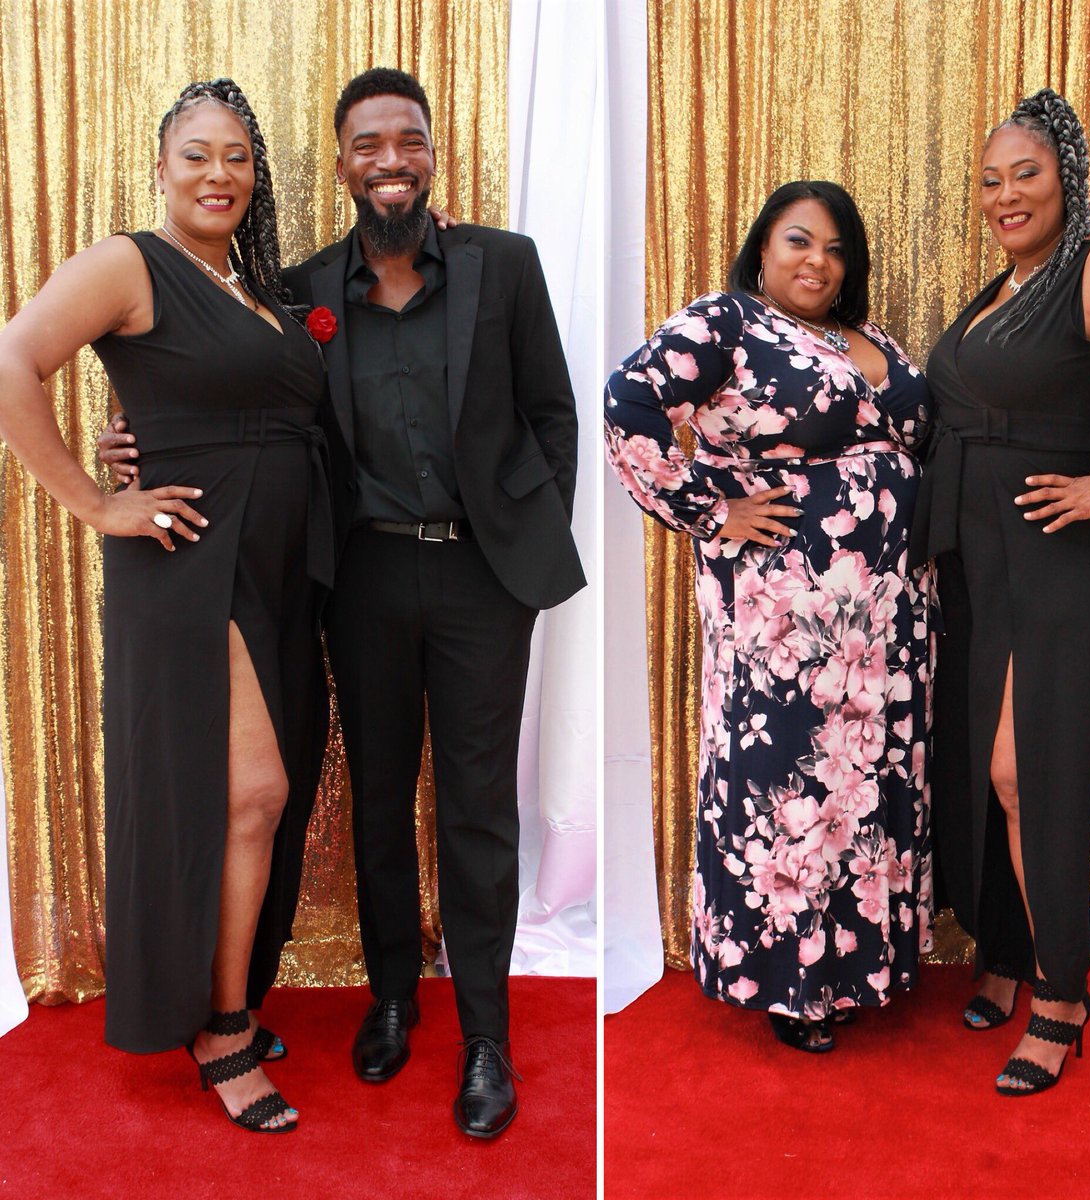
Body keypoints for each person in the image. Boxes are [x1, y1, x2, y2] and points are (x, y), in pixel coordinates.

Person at [106, 68, 583, 1138]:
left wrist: (521, 538)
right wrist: (122, 456)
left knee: (475, 808)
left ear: (431, 150)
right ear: (340, 164)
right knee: (374, 801)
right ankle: (394, 1000)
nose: (389, 159)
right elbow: (253, 412)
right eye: (366, 144)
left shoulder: (506, 266)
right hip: (359, 579)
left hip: (481, 582)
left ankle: (487, 1039)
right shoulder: (304, 292)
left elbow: (554, 416)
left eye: (406, 139)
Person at [0, 79, 334, 1132]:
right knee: (253, 793)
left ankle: (215, 996)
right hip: (190, 560)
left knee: (243, 800)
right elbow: (11, 359)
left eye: (237, 156)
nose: (219, 174)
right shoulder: (127, 263)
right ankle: (222, 1026)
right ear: (160, 166)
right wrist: (96, 502)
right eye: (197, 154)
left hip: (278, 566)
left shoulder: (249, 285)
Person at [912, 88, 1090, 1095]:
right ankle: (1000, 947)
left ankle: (1063, 993)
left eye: (1024, 174)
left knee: (1027, 773)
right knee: (981, 766)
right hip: (980, 561)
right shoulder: (1000, 290)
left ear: (1065, 180)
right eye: (989, 181)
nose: (1004, 195)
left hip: (1061, 555)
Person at [605, 181, 934, 1052]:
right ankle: (791, 984)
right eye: (799, 240)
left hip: (888, 620)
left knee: (868, 785)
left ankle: (865, 968)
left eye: (834, 249)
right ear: (762, 248)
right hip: (785, 624)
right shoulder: (728, 322)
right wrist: (712, 510)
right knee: (789, 787)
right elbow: (627, 403)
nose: (816, 261)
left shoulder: (870, 340)